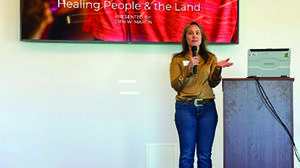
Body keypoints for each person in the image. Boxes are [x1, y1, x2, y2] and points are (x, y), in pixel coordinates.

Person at [169, 22, 233, 168]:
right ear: (186, 37)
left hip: (208, 109)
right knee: (187, 154)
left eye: (197, 33)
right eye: (190, 33)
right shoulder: (177, 59)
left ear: (202, 37)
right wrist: (189, 68)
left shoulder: (210, 58)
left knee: (204, 155)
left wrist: (217, 68)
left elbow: (213, 82)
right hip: (185, 108)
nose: (194, 36)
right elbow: (176, 85)